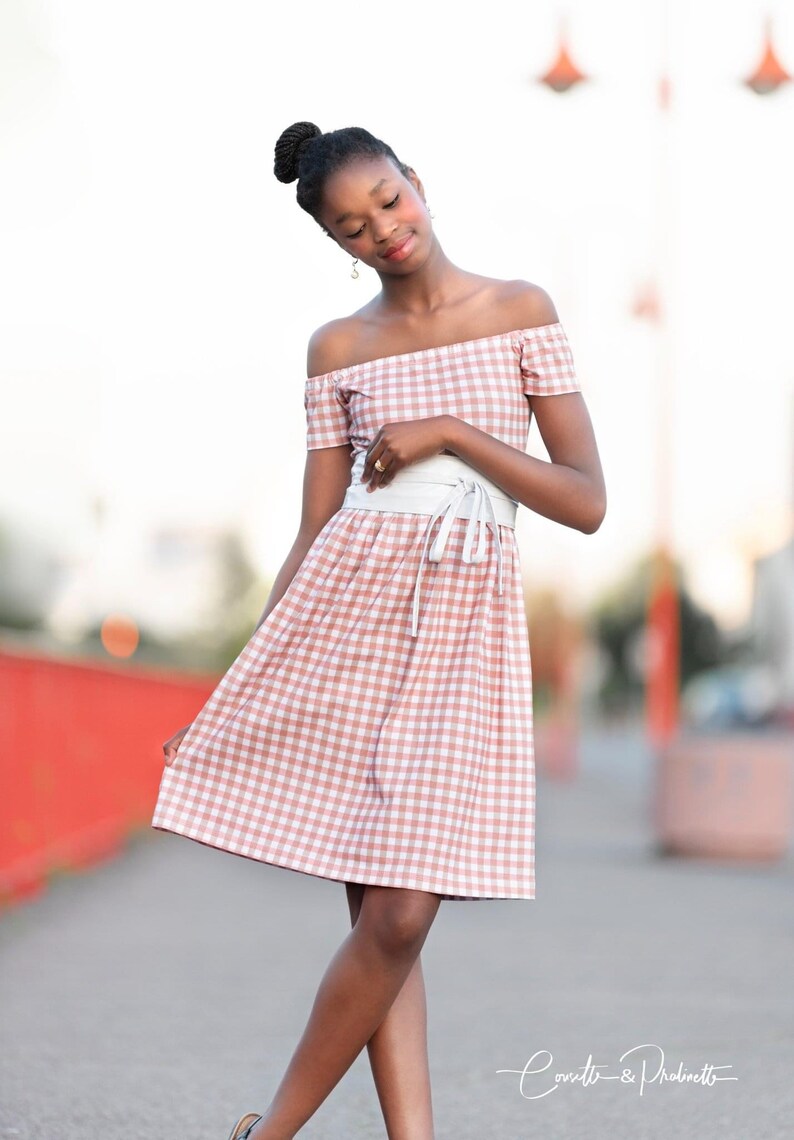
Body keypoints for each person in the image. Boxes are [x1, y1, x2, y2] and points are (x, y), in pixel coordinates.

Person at [151, 121, 606, 1140]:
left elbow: (584, 500)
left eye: (389, 202)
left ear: (417, 182)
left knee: (400, 915)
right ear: (338, 245)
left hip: (461, 636)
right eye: (355, 228)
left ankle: (267, 1134)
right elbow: (314, 529)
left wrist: (451, 434)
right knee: (382, 926)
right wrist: (239, 685)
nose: (384, 232)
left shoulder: (519, 309)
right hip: (345, 628)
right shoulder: (338, 348)